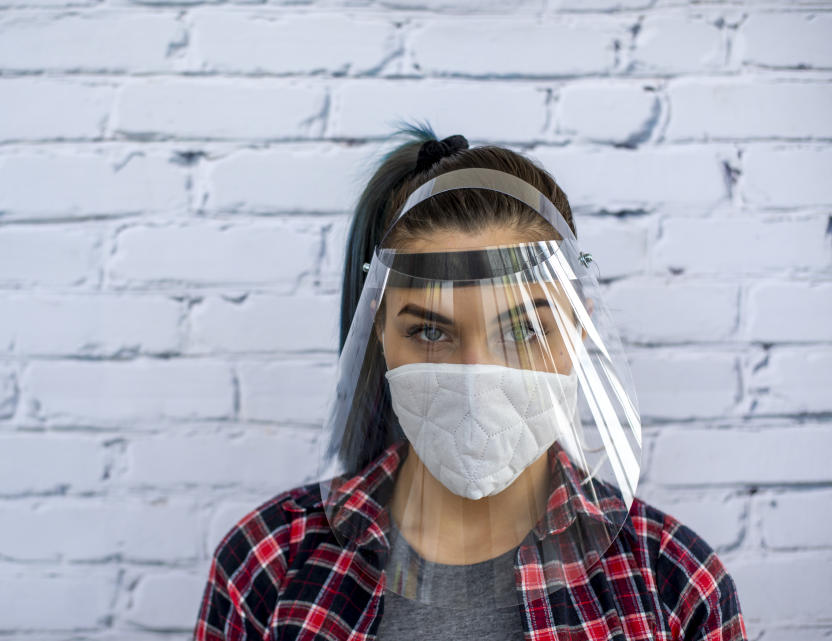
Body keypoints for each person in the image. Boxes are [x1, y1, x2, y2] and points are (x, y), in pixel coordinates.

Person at [194, 125, 747, 640]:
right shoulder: (267, 564)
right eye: (432, 331)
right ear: (380, 331)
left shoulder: (675, 587)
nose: (476, 378)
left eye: (525, 329)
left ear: (579, 327)